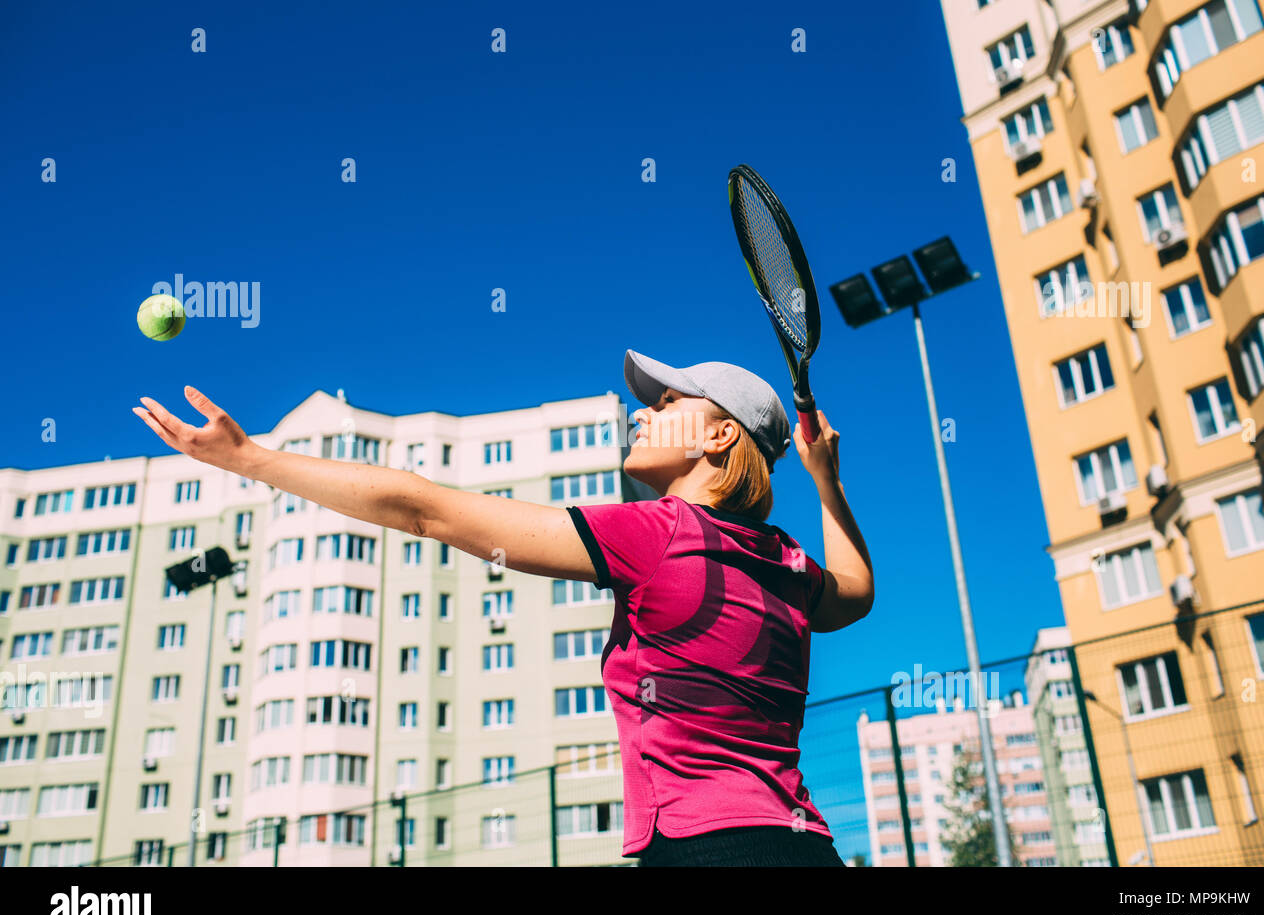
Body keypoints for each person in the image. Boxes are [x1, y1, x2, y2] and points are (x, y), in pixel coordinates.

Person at [132, 349, 874, 867]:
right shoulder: (788, 566)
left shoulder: (655, 535)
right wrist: (826, 482)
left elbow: (424, 510)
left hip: (705, 850)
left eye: (669, 403)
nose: (644, 414)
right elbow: (858, 591)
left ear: (719, 437)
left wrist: (249, 459)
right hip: (805, 845)